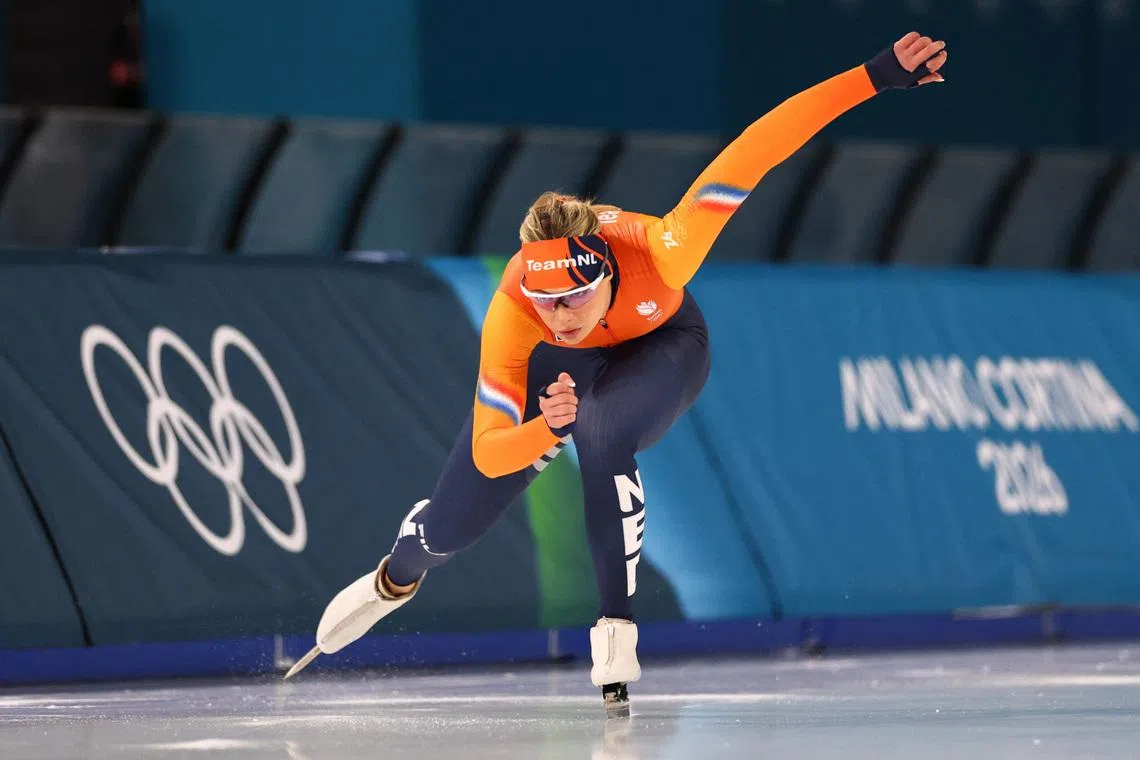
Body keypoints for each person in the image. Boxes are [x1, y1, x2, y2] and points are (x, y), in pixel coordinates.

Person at [287, 32, 950, 709]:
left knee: (602, 426)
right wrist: (546, 428)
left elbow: (756, 148)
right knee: (452, 528)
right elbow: (489, 451)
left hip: (662, 347)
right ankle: (395, 576)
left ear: (604, 270)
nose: (560, 314)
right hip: (556, 378)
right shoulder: (515, 310)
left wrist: (873, 76)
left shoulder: (662, 248)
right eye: (546, 300)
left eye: (574, 296)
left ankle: (615, 629)